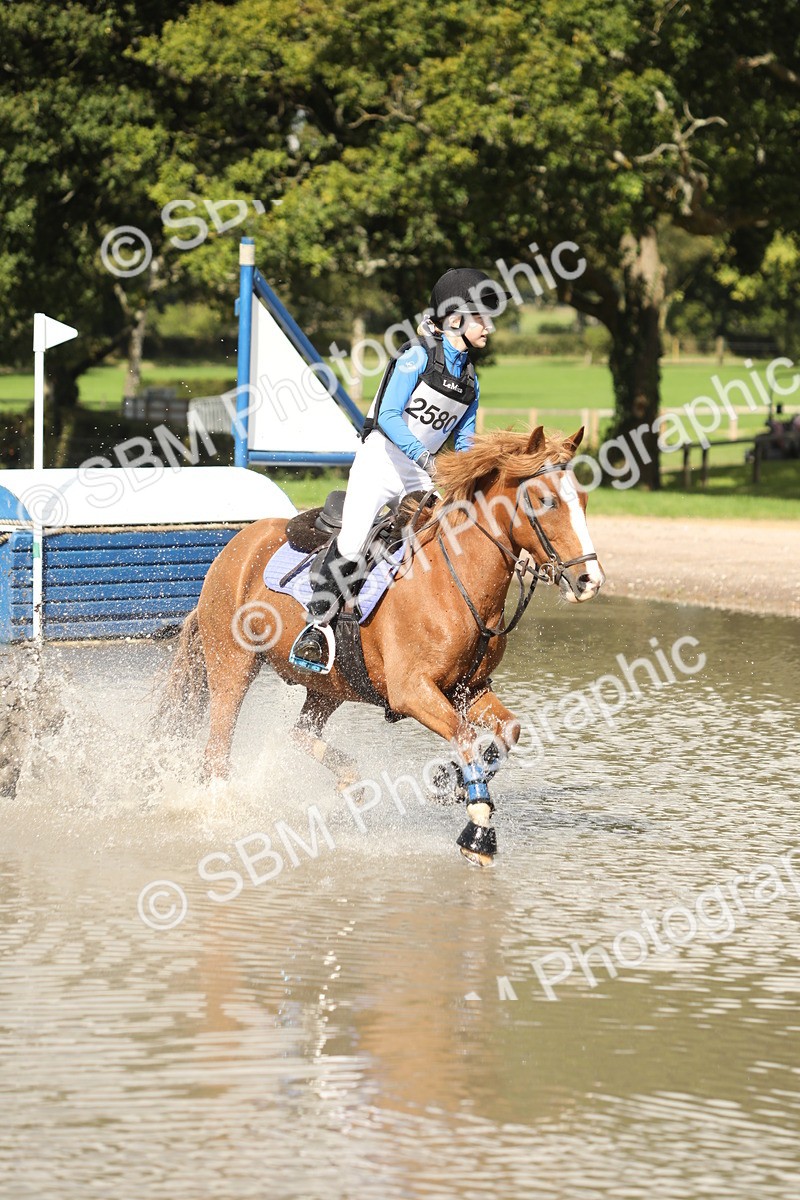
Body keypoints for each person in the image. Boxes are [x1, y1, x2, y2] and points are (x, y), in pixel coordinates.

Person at [289, 266, 506, 673]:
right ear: (455, 319)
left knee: (451, 536)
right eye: (481, 318)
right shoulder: (416, 357)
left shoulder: (471, 382)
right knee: (353, 544)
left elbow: (464, 444)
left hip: (419, 473)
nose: (488, 327)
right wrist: (426, 459)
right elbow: (389, 416)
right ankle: (315, 628)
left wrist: (475, 479)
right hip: (380, 461)